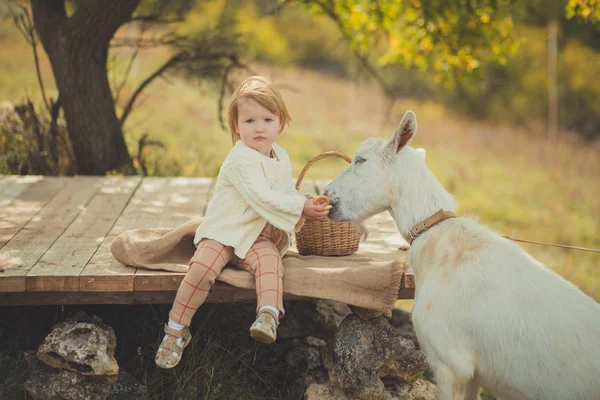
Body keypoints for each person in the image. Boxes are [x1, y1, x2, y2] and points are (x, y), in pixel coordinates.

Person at [155, 76, 330, 368]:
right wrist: (301, 207)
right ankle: (175, 329)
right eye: (249, 121)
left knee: (271, 262)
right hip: (225, 231)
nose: (259, 128)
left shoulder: (281, 156)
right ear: (236, 127)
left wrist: (302, 200)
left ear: (280, 123)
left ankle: (268, 315)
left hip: (255, 235)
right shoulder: (240, 160)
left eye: (267, 119)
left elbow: (283, 192)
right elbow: (262, 197)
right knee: (202, 268)